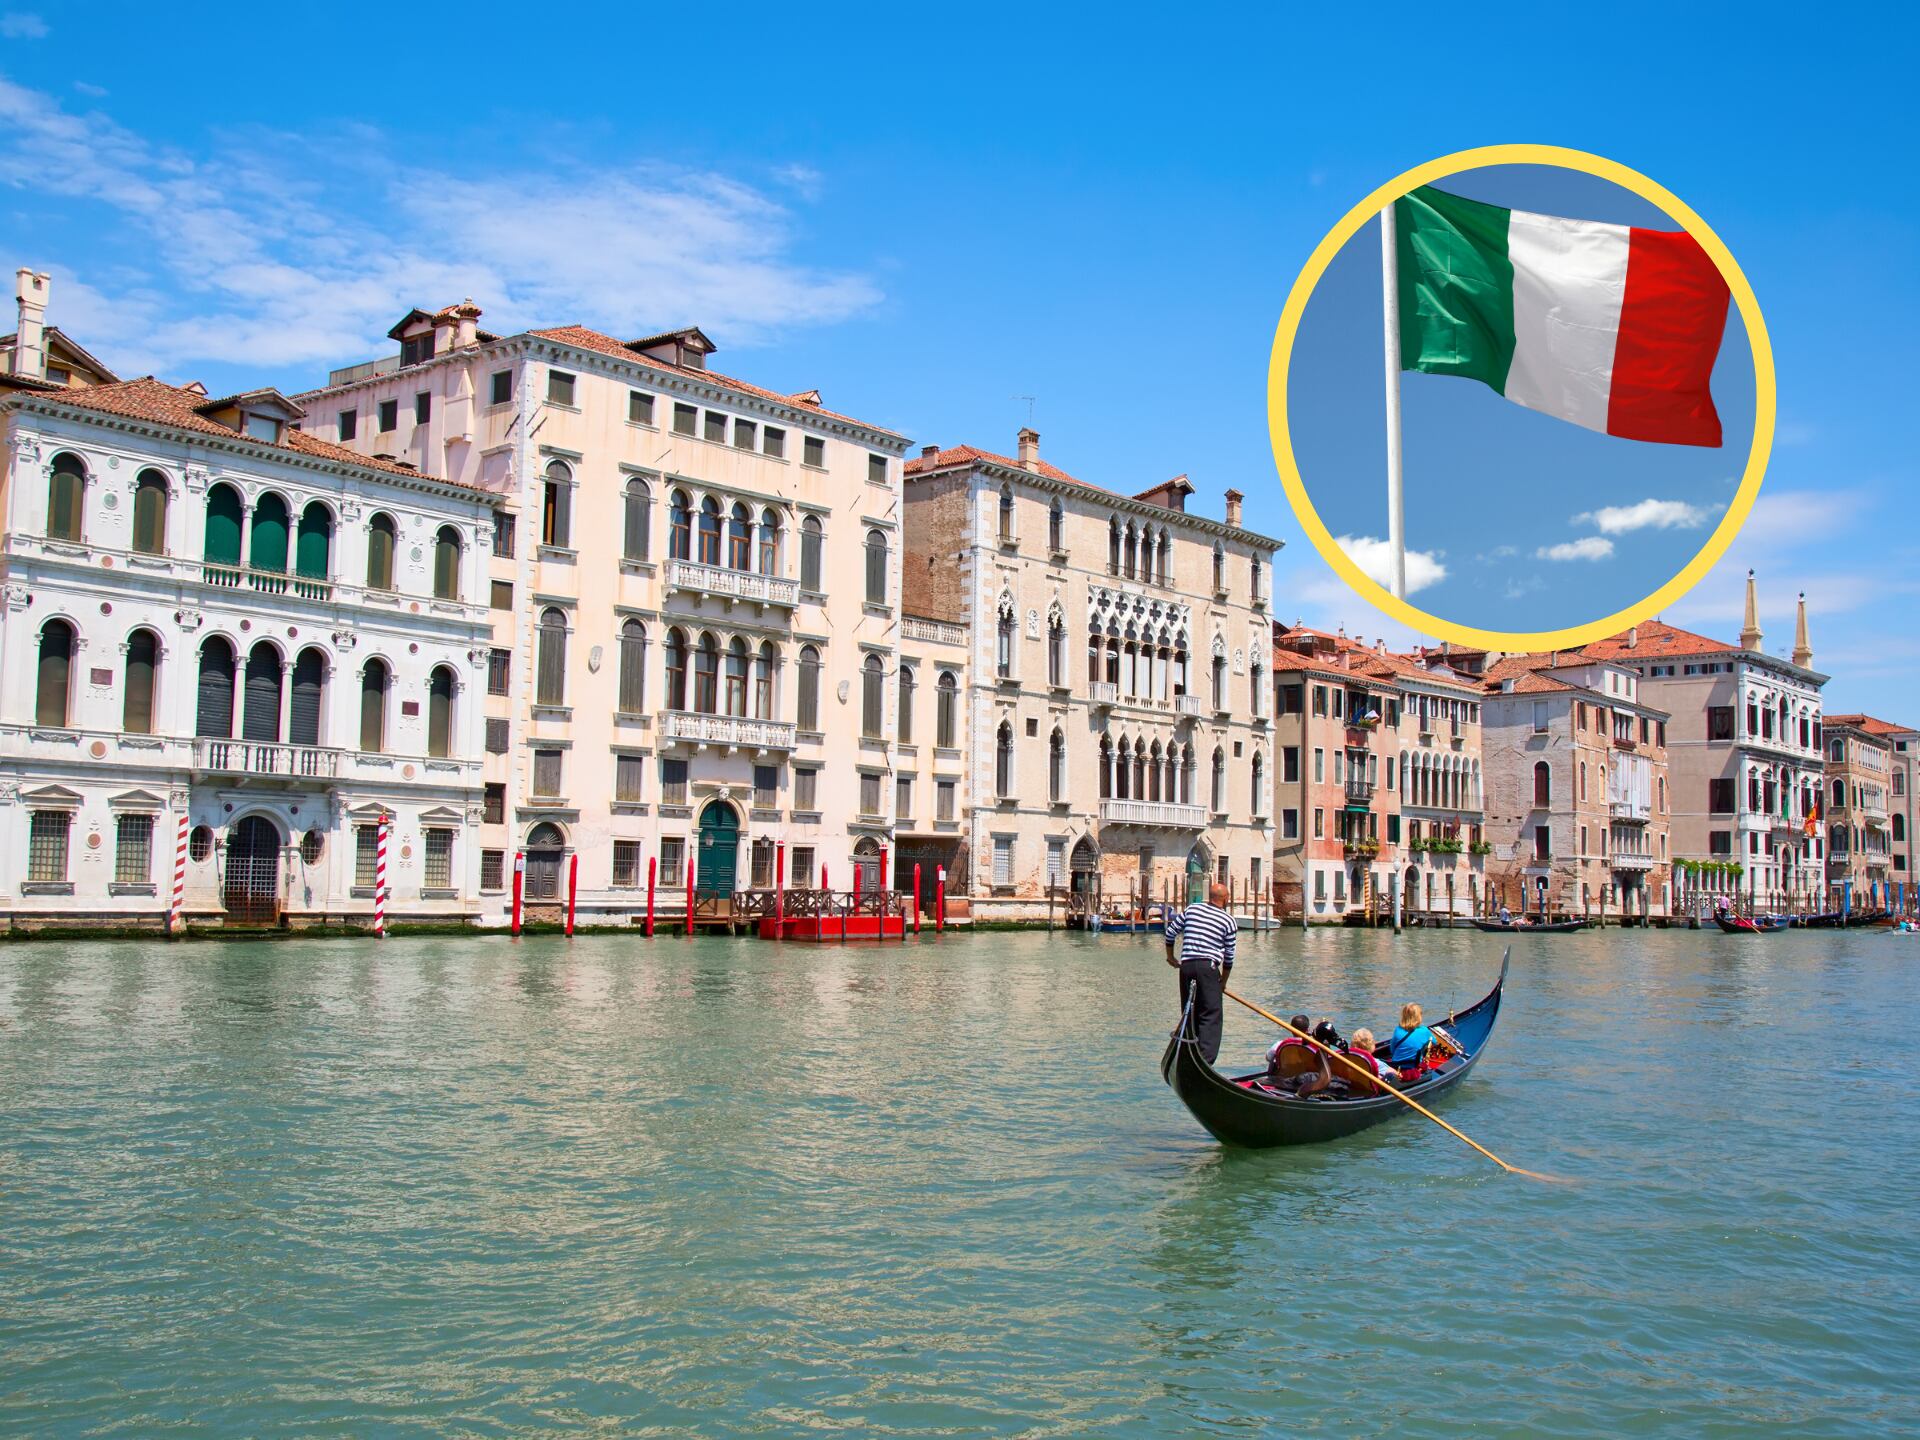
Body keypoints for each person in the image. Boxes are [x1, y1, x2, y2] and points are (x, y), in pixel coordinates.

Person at [1165, 880, 1237, 1064]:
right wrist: (1223, 983)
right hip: (1208, 968)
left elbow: (1170, 932)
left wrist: (1171, 957)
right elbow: (1229, 957)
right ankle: (1205, 1060)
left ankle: (1189, 1051)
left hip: (1187, 966)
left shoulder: (1193, 909)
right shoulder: (1228, 920)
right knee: (1211, 1013)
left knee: (1190, 1010)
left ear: (1210, 897)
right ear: (1226, 899)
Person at [1265, 1014, 1331, 1098]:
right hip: (1309, 1084)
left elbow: (1268, 1057)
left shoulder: (1279, 1044)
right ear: (1307, 1030)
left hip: (1284, 1082)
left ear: (1291, 1029)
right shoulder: (1318, 1048)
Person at [1387, 1001, 1437, 1069]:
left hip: (1396, 1066)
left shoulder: (1397, 1030)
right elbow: (1434, 1042)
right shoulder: (1424, 1031)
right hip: (1413, 1067)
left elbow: (1392, 1050)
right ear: (1418, 1016)